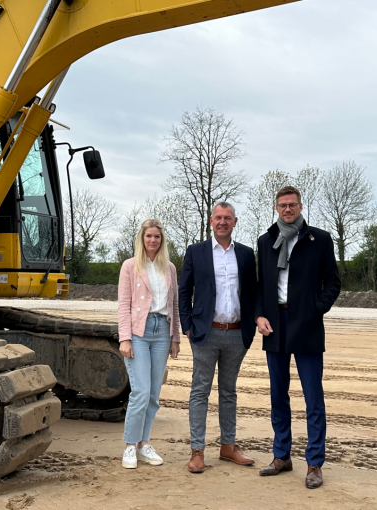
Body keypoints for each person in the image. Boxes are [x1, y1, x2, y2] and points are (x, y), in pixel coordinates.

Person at [255, 186, 341, 489]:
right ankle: (282, 456)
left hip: (306, 323)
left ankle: (314, 463)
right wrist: (260, 315)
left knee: (312, 398)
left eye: (292, 205)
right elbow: (260, 286)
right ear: (276, 208)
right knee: (278, 395)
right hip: (274, 324)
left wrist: (315, 310)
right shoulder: (265, 242)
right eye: (282, 205)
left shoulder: (319, 239)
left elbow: (332, 282)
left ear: (300, 206)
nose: (287, 210)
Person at [179, 202, 257, 473]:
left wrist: (254, 322)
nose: (223, 222)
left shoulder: (246, 255)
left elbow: (253, 293)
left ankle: (228, 446)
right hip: (205, 332)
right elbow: (184, 291)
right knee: (200, 391)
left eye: (228, 218)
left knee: (229, 391)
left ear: (235, 222)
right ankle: (197, 450)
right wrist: (187, 325)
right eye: (218, 218)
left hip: (237, 334)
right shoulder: (196, 252)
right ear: (211, 221)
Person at [117, 219, 181, 469]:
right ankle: (130, 446)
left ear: (162, 240)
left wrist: (175, 338)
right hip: (139, 332)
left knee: (154, 394)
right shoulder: (130, 266)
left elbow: (174, 305)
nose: (153, 240)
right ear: (142, 239)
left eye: (157, 237)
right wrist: (125, 337)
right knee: (141, 391)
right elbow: (123, 304)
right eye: (149, 236)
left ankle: (144, 444)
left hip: (162, 331)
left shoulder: (170, 268)